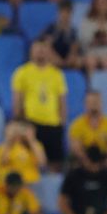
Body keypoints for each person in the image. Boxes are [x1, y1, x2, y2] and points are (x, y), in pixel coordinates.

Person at [12, 38, 68, 168]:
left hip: (53, 124)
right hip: (32, 124)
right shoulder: (22, 72)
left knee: (55, 164)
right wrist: (20, 124)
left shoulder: (57, 74)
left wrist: (62, 123)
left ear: (48, 51)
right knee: (32, 162)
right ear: (31, 51)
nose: (40, 52)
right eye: (37, 48)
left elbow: (62, 101)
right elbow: (17, 101)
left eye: (43, 49)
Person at [59, 146, 107, 214]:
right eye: (91, 163)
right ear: (85, 160)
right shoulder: (73, 175)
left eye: (96, 163)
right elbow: (62, 202)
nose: (94, 167)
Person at [68, 91, 107, 166]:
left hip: (104, 158)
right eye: (90, 103)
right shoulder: (76, 125)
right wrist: (88, 164)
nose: (93, 106)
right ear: (85, 104)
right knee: (73, 163)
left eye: (96, 103)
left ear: (101, 104)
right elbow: (76, 149)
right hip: (83, 158)